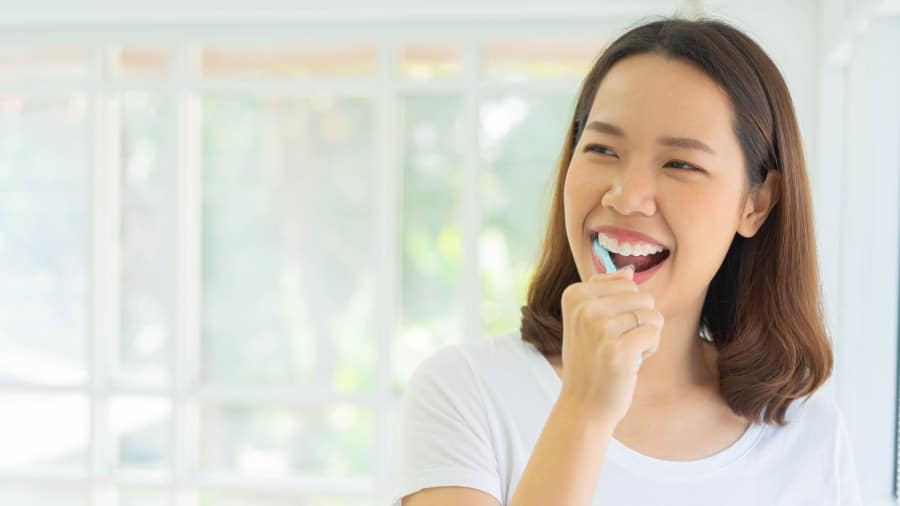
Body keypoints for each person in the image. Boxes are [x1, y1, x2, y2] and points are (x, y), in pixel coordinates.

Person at [390, 16, 863, 506]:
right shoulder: (466, 393)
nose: (626, 195)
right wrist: (584, 409)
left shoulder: (812, 437)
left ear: (757, 203)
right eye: (601, 149)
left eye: (680, 164)